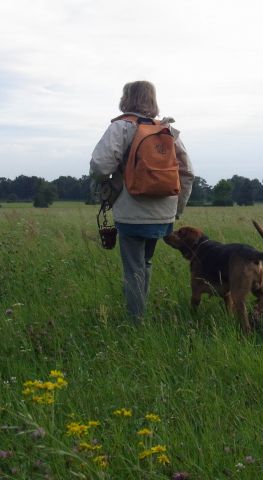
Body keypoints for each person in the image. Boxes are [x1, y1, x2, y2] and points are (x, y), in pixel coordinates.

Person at [90, 81, 194, 323]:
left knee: (133, 268)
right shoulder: (167, 130)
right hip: (163, 213)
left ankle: (136, 320)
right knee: (145, 262)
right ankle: (140, 313)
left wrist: (106, 185)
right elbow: (187, 172)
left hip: (131, 212)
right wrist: (176, 210)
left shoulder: (121, 127)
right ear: (152, 100)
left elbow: (99, 165)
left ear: (126, 98)